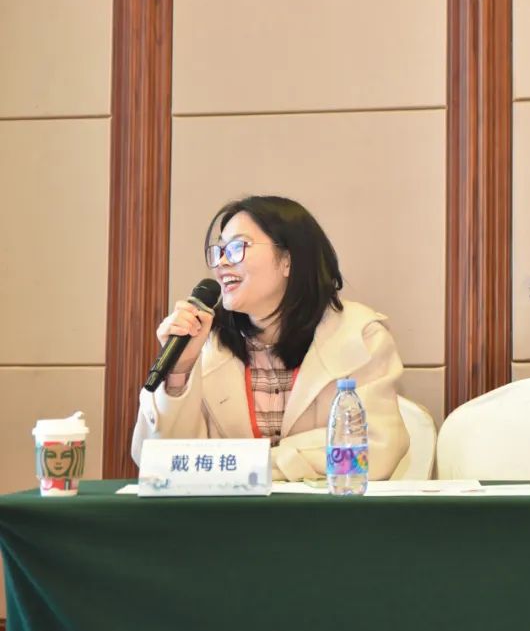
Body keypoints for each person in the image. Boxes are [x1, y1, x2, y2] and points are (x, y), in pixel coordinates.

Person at [131, 196, 409, 481]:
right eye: (220, 251)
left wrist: (251, 463)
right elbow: (160, 463)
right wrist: (180, 370)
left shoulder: (359, 335)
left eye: (237, 248)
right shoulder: (204, 342)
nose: (222, 263)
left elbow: (374, 451)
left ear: (288, 260)